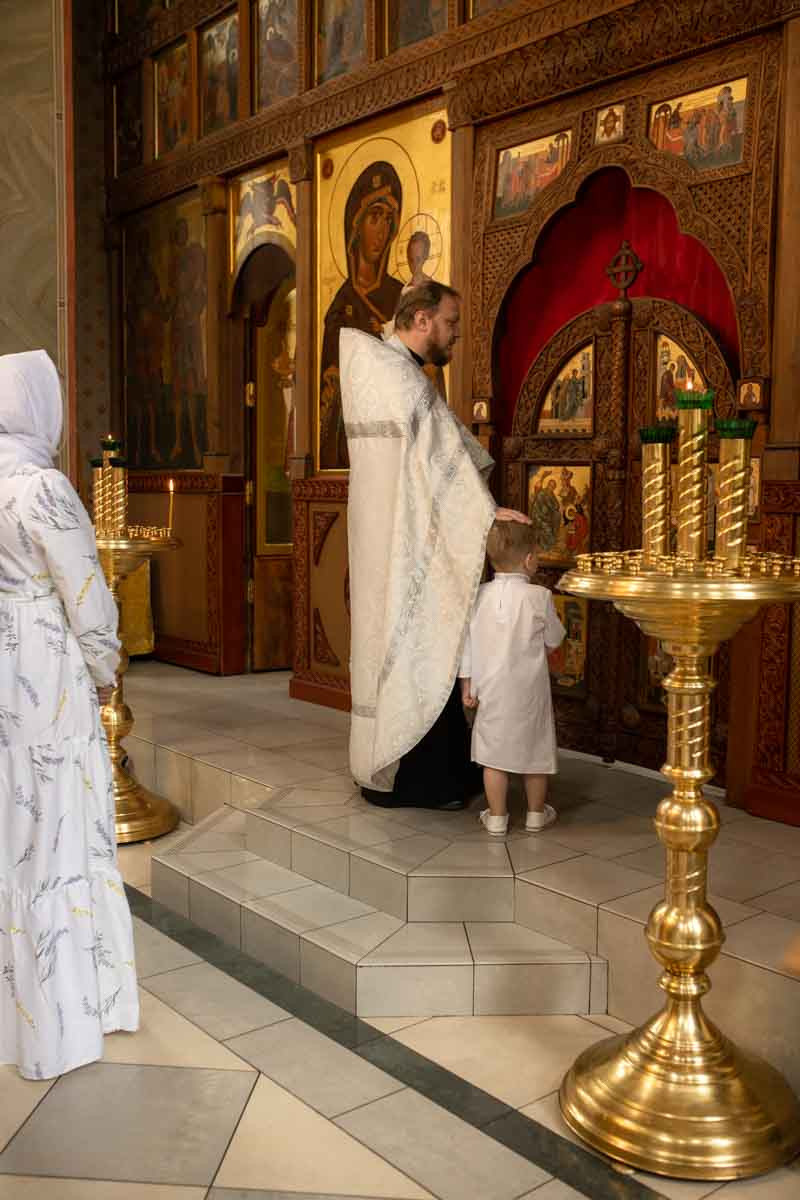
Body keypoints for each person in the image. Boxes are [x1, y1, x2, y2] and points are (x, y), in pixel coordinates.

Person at [0, 350, 139, 1079]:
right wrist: (103, 666)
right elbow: (85, 593)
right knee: (54, 830)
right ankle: (62, 1020)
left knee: (11, 830)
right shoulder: (41, 487)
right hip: (43, 665)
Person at [340, 281, 530, 809]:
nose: (455, 333)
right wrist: (490, 513)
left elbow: (438, 458)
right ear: (421, 320)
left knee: (408, 643)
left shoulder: (377, 369)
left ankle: (420, 768)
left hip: (387, 534)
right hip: (404, 540)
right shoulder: (403, 382)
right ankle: (421, 780)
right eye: (449, 322)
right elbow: (444, 465)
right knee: (428, 643)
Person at [459, 520, 565, 836]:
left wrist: (467, 683)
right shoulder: (539, 596)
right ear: (530, 559)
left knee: (494, 754)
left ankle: (496, 816)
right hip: (529, 691)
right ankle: (535, 814)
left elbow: (467, 643)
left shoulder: (478, 596)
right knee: (534, 751)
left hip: (489, 688)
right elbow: (556, 638)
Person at [319, 161, 404, 469]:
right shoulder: (340, 310)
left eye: (388, 219)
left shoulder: (402, 298)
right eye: (374, 216)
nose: (381, 229)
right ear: (355, 225)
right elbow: (329, 401)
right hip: (357, 449)